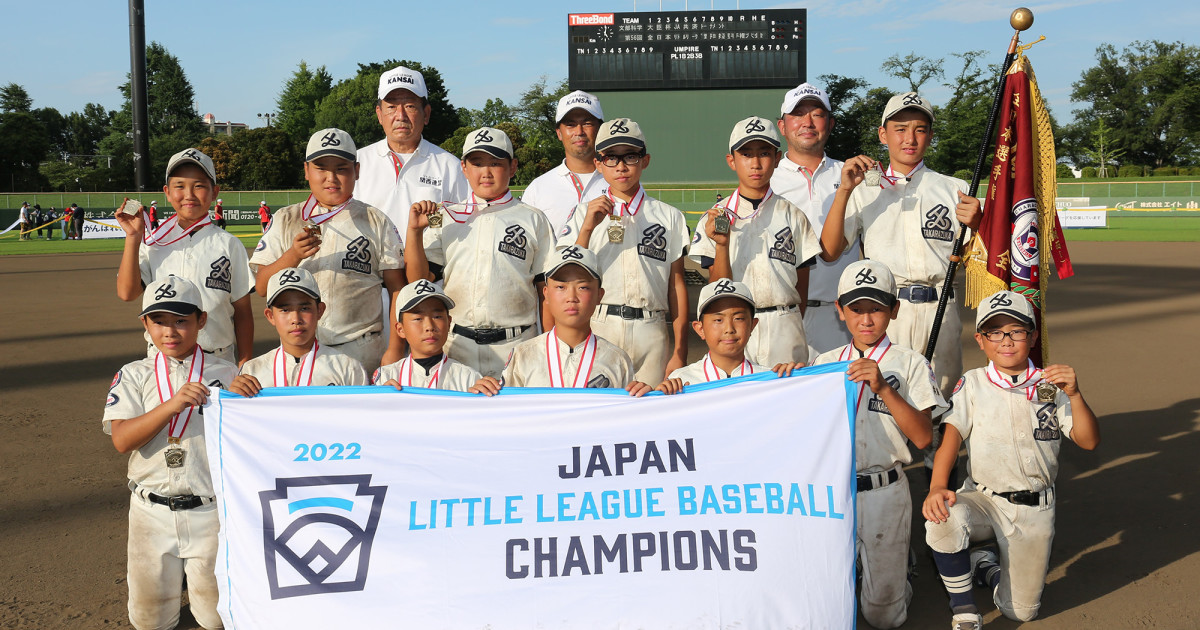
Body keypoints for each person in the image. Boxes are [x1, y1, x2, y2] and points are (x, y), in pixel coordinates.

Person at [923, 291, 1099, 629]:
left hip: (1035, 510)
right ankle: (964, 609)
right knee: (943, 520)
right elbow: (951, 440)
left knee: (1020, 611)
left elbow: (1089, 441)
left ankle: (985, 566)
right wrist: (936, 487)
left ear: (1032, 337)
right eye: (995, 332)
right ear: (981, 340)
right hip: (984, 500)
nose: (1006, 340)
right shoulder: (972, 384)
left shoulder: (1050, 386)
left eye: (1016, 331)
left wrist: (1075, 395)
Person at [811, 260, 947, 629]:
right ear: (840, 311)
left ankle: (897, 572)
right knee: (825, 604)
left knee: (883, 617)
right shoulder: (823, 363)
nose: (866, 320)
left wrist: (885, 388)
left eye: (876, 309)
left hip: (885, 491)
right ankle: (862, 567)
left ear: (894, 310)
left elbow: (922, 438)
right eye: (856, 309)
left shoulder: (910, 364)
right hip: (834, 494)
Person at [817, 92, 982, 397]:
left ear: (931, 136)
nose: (910, 138)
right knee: (884, 399)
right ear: (883, 134)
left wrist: (981, 224)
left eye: (920, 129)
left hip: (940, 307)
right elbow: (829, 251)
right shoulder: (865, 189)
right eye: (900, 129)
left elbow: (991, 259)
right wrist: (844, 191)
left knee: (939, 399)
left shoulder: (955, 190)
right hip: (886, 311)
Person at [102, 275, 239, 630]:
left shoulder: (229, 373)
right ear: (145, 324)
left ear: (202, 321)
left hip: (210, 512)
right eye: (159, 321)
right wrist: (171, 405)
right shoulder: (133, 374)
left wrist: (247, 396)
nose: (170, 331)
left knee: (216, 617)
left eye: (181, 320)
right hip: (151, 512)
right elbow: (121, 440)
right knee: (151, 619)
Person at [250, 128, 406, 375]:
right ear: (306, 171)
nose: (331, 177)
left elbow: (397, 288)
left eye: (341, 168)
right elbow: (261, 286)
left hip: (361, 350)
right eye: (321, 168)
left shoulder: (375, 220)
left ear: (356, 171)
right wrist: (293, 255)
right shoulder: (286, 218)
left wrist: (395, 349)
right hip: (301, 353)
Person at [404, 126, 553, 378]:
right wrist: (415, 233)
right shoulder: (447, 217)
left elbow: (546, 292)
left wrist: (550, 347)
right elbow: (418, 281)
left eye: (495, 163)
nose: (486, 172)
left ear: (513, 166)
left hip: (517, 344)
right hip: (458, 346)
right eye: (477, 163)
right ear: (464, 168)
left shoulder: (533, 218)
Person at [558, 117, 690, 384]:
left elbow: (676, 284)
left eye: (630, 156)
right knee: (598, 412)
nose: (620, 166)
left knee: (651, 412)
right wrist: (586, 229)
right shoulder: (584, 213)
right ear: (598, 163)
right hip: (601, 324)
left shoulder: (669, 216)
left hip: (651, 328)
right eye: (611, 157)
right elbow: (566, 277)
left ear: (645, 160)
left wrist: (680, 350)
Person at [691, 116, 822, 366]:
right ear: (732, 160)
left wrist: (787, 317)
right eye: (746, 154)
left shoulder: (793, 215)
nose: (755, 163)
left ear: (776, 158)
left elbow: (801, 285)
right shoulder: (715, 216)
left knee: (786, 400)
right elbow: (718, 288)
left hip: (785, 322)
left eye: (764, 153)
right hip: (737, 325)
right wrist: (721, 245)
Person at [116, 148, 255, 366]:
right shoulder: (153, 243)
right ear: (167, 192)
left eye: (199, 186)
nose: (189, 195)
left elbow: (243, 311)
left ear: (215, 192)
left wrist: (245, 363)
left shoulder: (229, 244)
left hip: (217, 360)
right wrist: (133, 237)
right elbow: (127, 292)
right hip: (162, 361)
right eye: (179, 186)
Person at [471, 245, 650, 395]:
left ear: (599, 295)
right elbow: (504, 414)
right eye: (561, 287)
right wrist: (483, 396)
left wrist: (645, 398)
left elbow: (626, 419)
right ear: (546, 294)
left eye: (583, 287)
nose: (571, 297)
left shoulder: (617, 359)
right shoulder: (523, 354)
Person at [772, 83, 862, 356]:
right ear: (782, 125)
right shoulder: (765, 180)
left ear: (830, 123)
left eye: (817, 114)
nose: (807, 122)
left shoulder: (853, 175)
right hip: (781, 316)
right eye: (798, 114)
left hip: (842, 318)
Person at [355, 65, 468, 236]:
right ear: (379, 114)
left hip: (430, 262)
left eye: (409, 106)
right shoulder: (356, 163)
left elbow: (463, 227)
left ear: (426, 113)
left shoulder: (451, 167)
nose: (400, 115)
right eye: (391, 106)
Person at [229, 267, 368, 395]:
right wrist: (233, 396)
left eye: (304, 308)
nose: (296, 319)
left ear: (320, 310)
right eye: (285, 310)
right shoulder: (252, 371)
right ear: (270, 316)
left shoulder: (347, 368)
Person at [656, 279, 798, 393]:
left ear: (752, 326)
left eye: (739, 318)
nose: (729, 329)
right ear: (700, 329)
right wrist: (658, 398)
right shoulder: (680, 381)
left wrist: (798, 379)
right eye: (718, 320)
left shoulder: (771, 380)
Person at [521, 90, 606, 235]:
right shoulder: (537, 189)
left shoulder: (619, 183)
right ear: (559, 133)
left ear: (600, 129)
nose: (579, 131)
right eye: (570, 125)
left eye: (587, 123)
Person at [373, 279, 482, 391]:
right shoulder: (386, 377)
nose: (429, 326)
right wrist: (382, 399)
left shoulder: (468, 379)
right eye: (418, 318)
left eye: (437, 317)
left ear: (449, 323)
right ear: (401, 329)